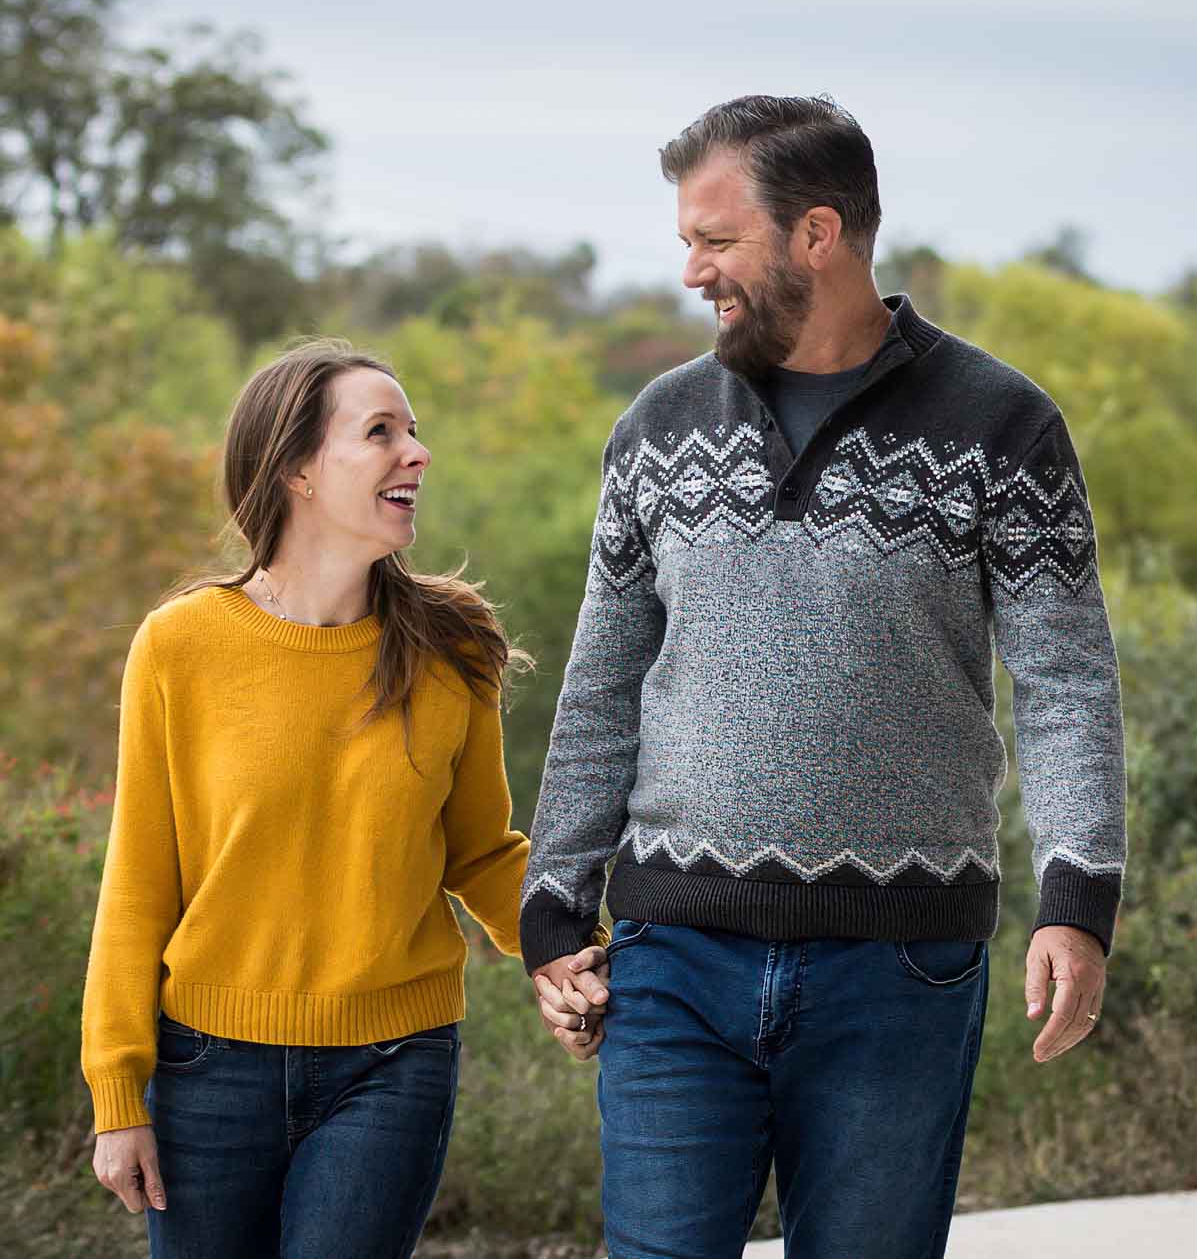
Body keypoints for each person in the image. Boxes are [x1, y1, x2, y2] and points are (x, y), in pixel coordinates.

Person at [521, 96, 1128, 1258]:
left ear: (815, 234)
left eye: (714, 239)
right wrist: (554, 900)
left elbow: (1064, 684)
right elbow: (603, 679)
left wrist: (1076, 897)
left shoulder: (1002, 425)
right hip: (671, 954)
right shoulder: (657, 425)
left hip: (897, 962)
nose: (691, 270)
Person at [80, 339, 607, 1259]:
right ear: (298, 471)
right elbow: (138, 880)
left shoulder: (453, 644)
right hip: (206, 1066)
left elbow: (480, 850)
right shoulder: (181, 645)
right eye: (381, 432)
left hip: (393, 1063)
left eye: (414, 430)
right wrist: (117, 1093)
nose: (418, 453)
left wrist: (561, 951)